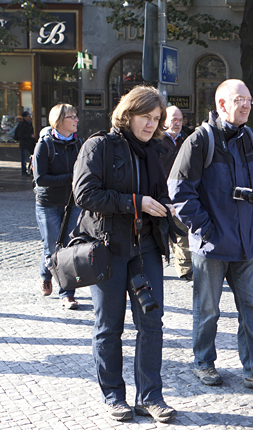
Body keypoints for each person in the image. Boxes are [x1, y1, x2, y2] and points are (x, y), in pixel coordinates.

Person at [168, 79, 253, 390]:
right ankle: (203, 362)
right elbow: (179, 192)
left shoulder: (250, 139)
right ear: (222, 105)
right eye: (240, 99)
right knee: (208, 309)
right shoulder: (199, 140)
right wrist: (206, 229)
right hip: (212, 246)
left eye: (249, 99)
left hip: (246, 243)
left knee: (251, 309)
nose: (247, 105)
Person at [72, 86, 177, 423]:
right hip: (109, 248)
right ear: (129, 113)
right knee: (109, 326)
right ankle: (114, 396)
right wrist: (135, 202)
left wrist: (166, 209)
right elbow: (84, 193)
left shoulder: (154, 150)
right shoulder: (99, 145)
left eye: (157, 118)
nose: (151, 124)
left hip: (146, 247)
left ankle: (150, 396)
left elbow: (157, 195)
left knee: (152, 324)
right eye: (146, 117)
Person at [32, 103, 82, 309]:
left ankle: (67, 293)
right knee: (52, 246)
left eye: (76, 116)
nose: (76, 120)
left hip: (73, 203)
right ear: (60, 121)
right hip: (48, 203)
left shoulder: (80, 143)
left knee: (69, 248)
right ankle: (46, 274)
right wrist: (71, 178)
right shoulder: (44, 145)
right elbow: (41, 179)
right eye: (72, 117)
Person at [157, 105, 192, 281]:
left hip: (179, 194)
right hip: (158, 194)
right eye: (174, 119)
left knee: (181, 231)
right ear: (164, 122)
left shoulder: (187, 140)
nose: (178, 123)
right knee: (158, 232)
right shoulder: (156, 141)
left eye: (180, 119)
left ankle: (185, 270)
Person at [14, 110, 36, 175]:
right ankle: (24, 171)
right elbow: (20, 135)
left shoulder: (30, 124)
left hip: (30, 144)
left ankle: (32, 169)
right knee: (24, 158)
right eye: (28, 116)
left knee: (32, 157)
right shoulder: (22, 125)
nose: (30, 117)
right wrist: (30, 136)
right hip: (24, 144)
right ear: (25, 117)